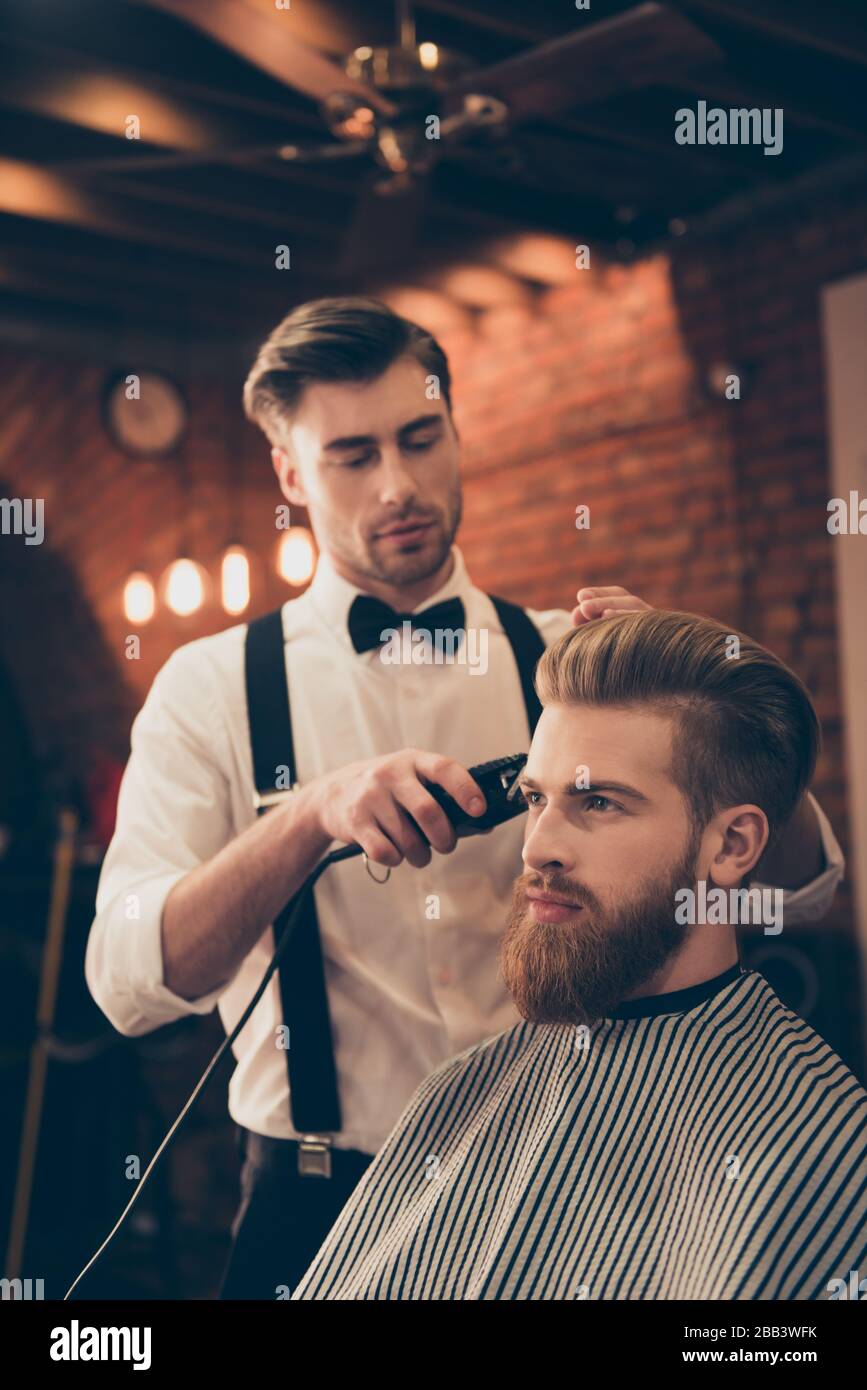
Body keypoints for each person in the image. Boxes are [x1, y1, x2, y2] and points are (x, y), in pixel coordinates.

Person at [85, 299, 843, 1299]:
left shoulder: (566, 659)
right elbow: (130, 983)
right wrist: (308, 818)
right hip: (319, 1194)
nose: (398, 485)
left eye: (420, 437)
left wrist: (714, 727)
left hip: (558, 1168)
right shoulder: (210, 687)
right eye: (352, 455)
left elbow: (796, 894)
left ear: (456, 428)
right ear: (289, 474)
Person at [292, 609, 867, 1302]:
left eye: (597, 802)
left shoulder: (820, 1145)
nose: (536, 847)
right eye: (535, 798)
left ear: (731, 846)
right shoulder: (460, 1092)